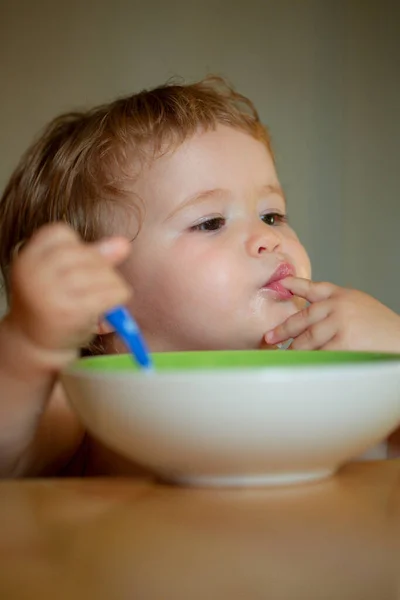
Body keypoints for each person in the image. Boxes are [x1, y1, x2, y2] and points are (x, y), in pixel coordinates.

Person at [0, 77, 399, 477]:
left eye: (272, 215)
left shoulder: (320, 380)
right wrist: (28, 344)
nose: (268, 239)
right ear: (102, 294)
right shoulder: (84, 405)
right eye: (211, 223)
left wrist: (395, 356)